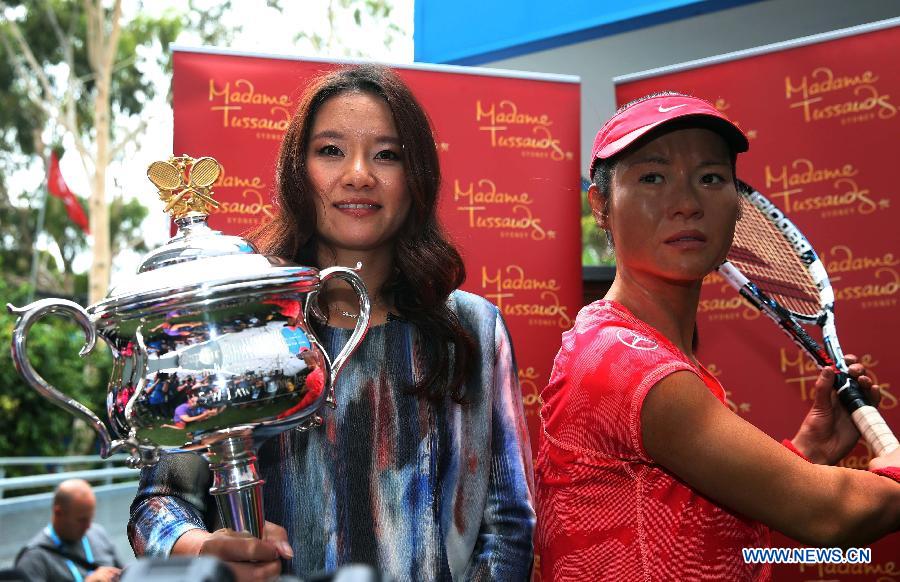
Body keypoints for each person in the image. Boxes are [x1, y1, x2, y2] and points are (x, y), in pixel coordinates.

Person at [128, 64, 535, 581]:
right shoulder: (239, 324)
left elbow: (507, 527)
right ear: (298, 171)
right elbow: (158, 504)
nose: (359, 174)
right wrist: (203, 548)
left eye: (387, 154)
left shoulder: (472, 329)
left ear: (417, 177)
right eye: (331, 150)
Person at [535, 92, 900, 581]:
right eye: (652, 178)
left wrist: (809, 451)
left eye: (710, 178)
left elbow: (696, 531)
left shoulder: (646, 350)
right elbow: (831, 514)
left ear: (737, 205)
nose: (687, 204)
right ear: (601, 206)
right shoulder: (625, 362)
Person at [16, 479, 123, 582]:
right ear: (58, 513)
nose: (88, 526)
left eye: (90, 518)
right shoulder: (34, 558)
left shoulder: (98, 534)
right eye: (81, 520)